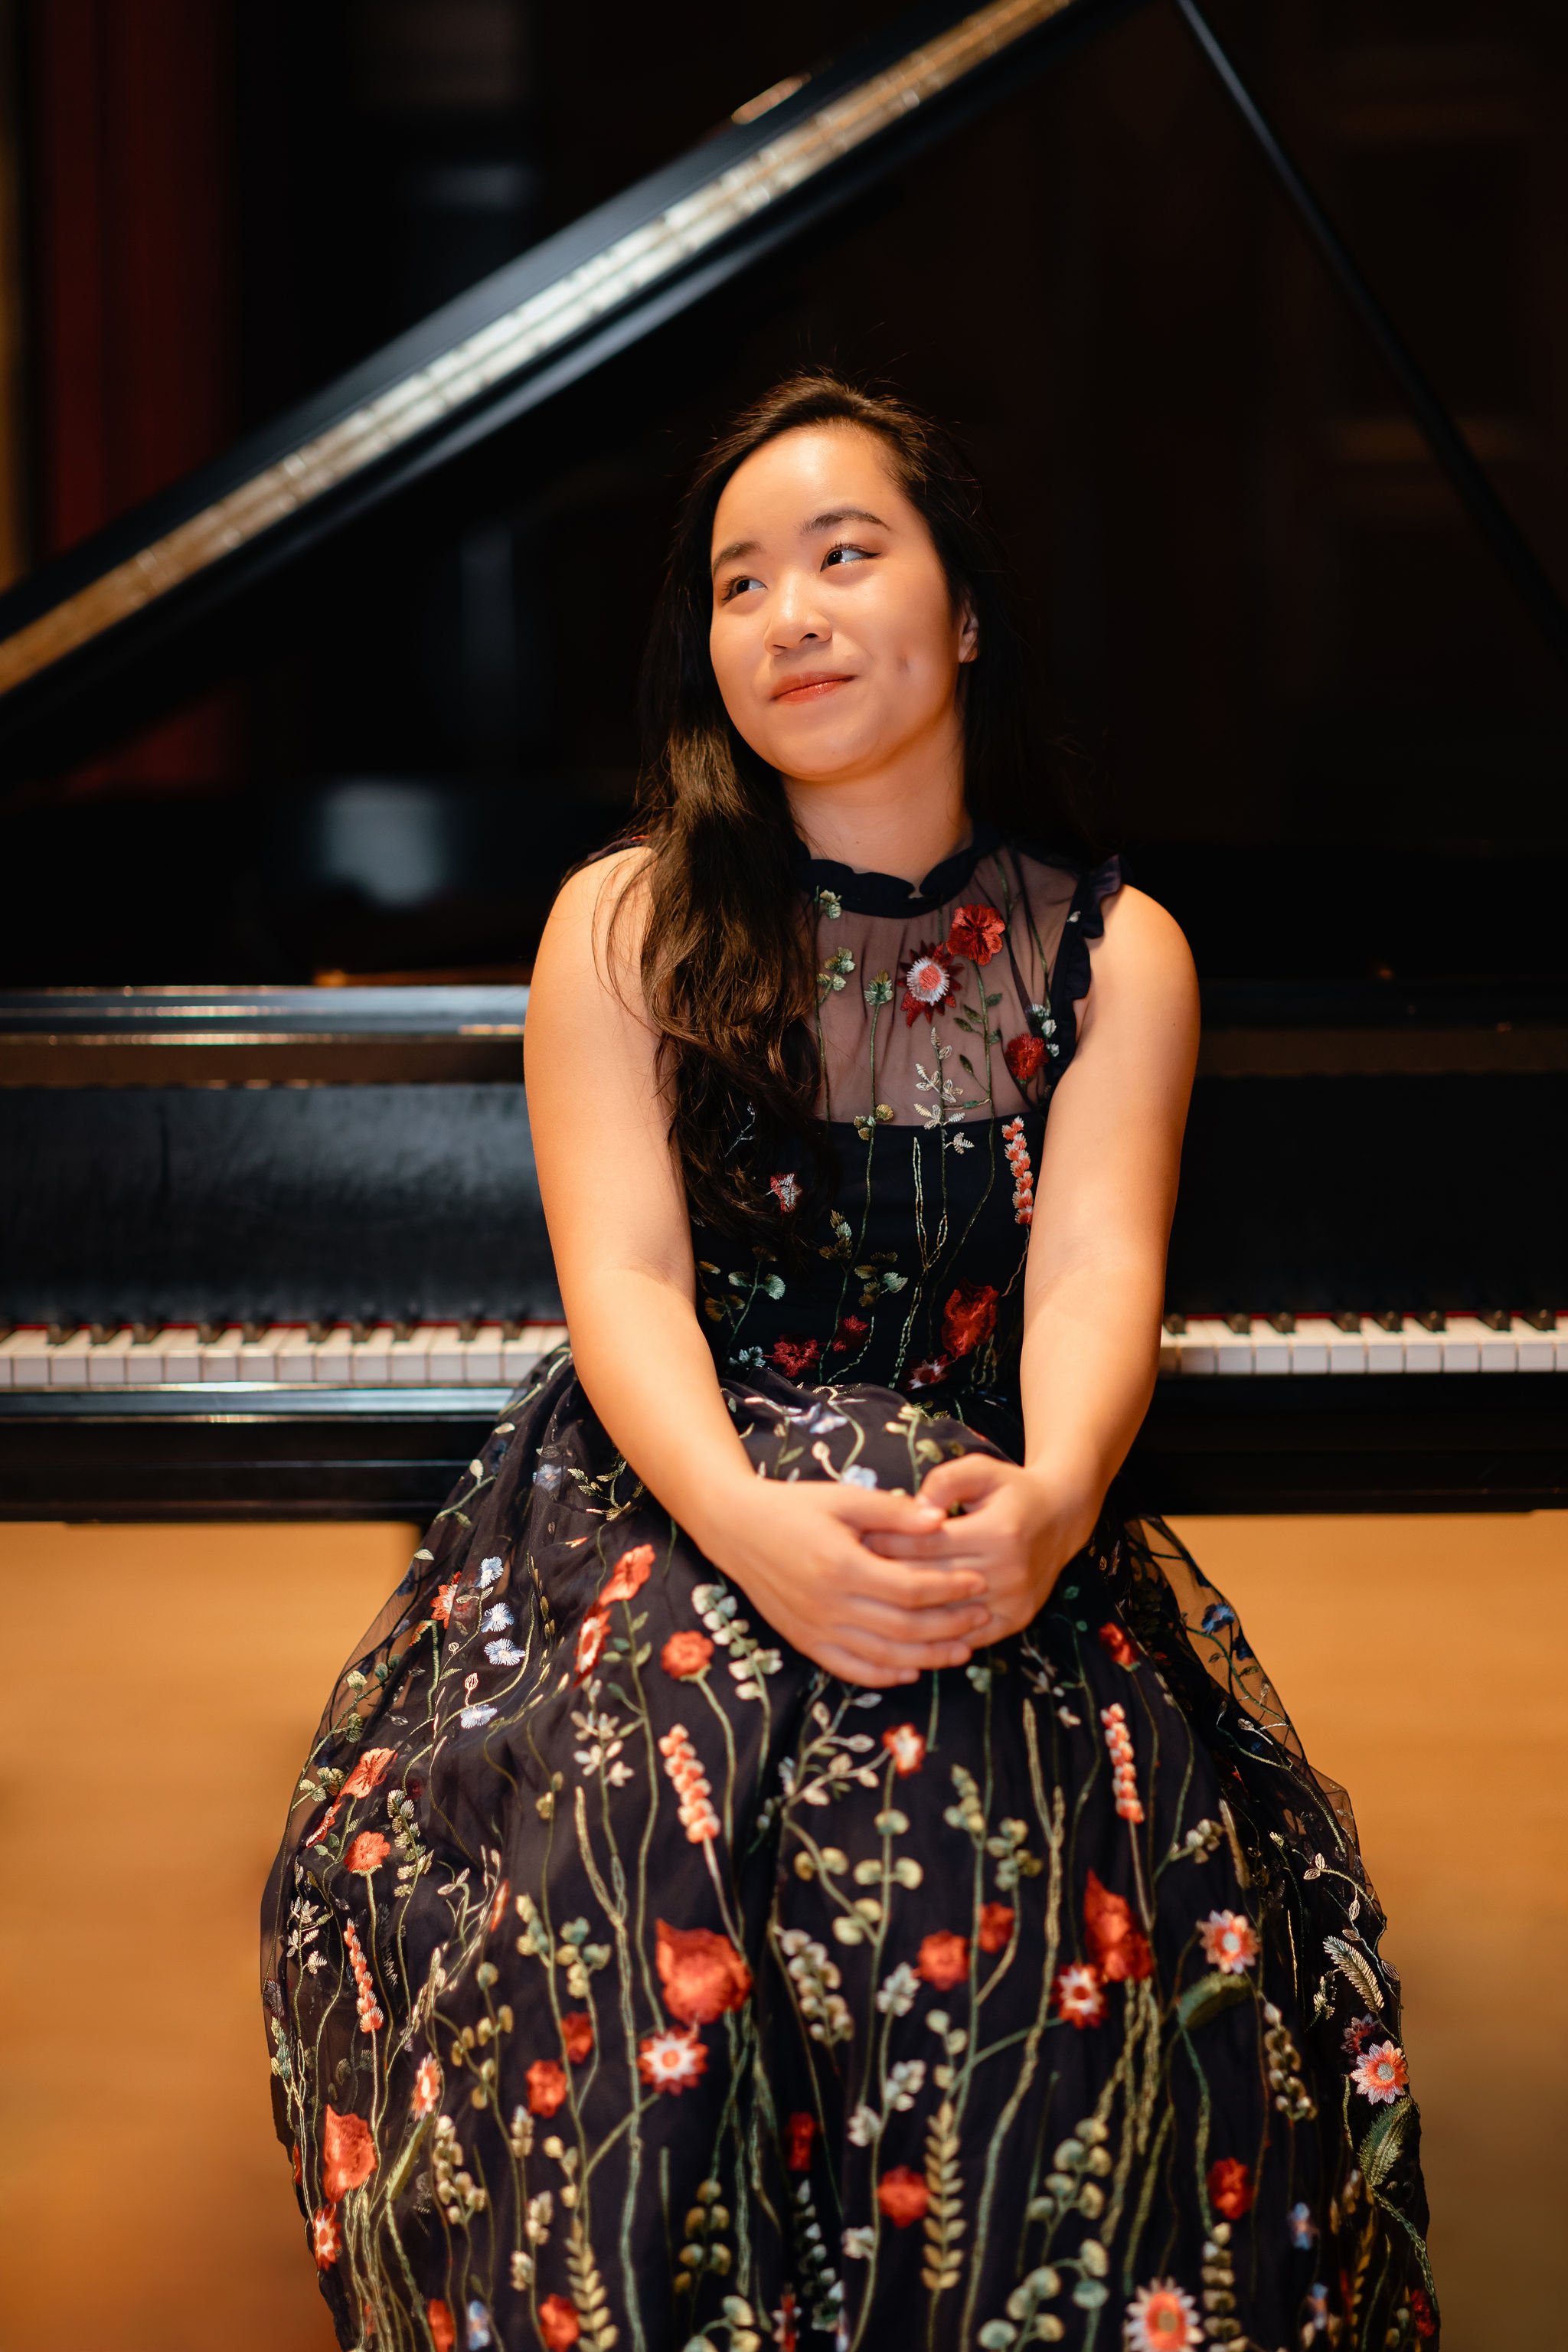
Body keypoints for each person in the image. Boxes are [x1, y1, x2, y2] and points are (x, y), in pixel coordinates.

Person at [263, 372, 1436, 2352]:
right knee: (666, 1803)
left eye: (844, 554)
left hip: (985, 1504)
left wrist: (1054, 1503)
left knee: (1019, 1828)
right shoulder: (619, 923)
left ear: (963, 609)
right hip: (657, 1499)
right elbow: (622, 1281)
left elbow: (1092, 1285)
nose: (789, 614)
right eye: (739, 582)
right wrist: (747, 1521)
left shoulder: (1117, 952)